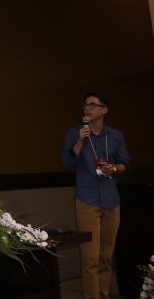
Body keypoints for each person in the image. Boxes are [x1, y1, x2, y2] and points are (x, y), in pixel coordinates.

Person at [62, 92, 131, 299]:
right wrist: (80, 141)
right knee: (90, 259)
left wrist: (113, 168)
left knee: (105, 257)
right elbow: (66, 162)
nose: (87, 108)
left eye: (93, 105)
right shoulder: (75, 133)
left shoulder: (115, 135)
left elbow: (125, 164)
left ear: (104, 110)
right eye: (85, 105)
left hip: (111, 200)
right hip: (87, 200)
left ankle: (104, 295)